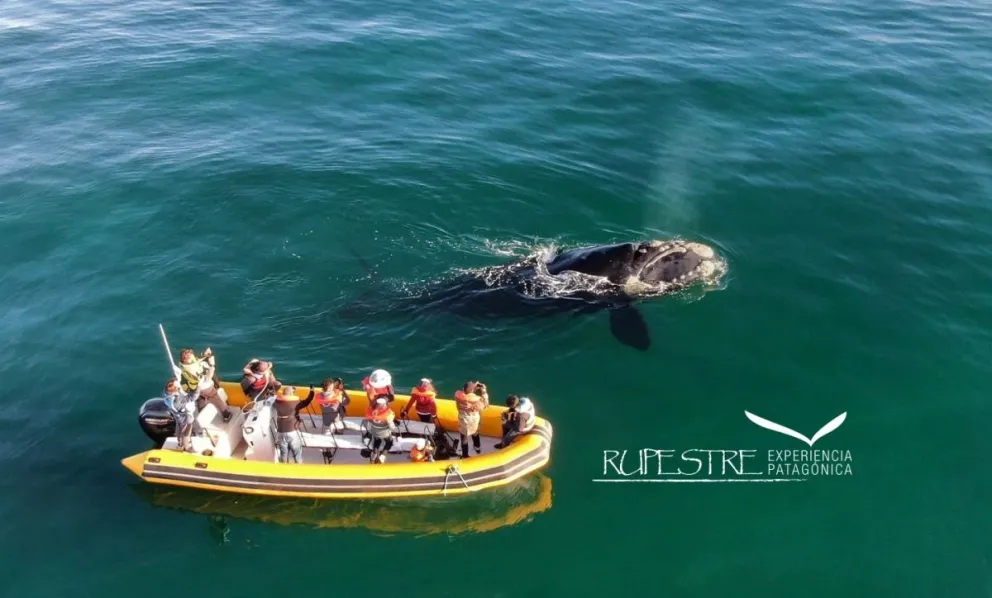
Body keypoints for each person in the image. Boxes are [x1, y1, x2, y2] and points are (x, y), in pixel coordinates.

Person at [272, 385, 315, 464]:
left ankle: (283, 467)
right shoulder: (296, 403)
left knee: (283, 452)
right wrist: (312, 391)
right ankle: (298, 467)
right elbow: (308, 401)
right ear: (291, 394)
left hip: (280, 431)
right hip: (292, 431)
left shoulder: (276, 402)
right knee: (296, 452)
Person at [454, 381, 489, 458]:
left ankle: (465, 455)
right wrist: (484, 392)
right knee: (475, 433)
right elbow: (486, 405)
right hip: (473, 421)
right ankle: (477, 448)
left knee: (464, 438)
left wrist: (473, 388)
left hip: (463, 420)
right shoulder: (476, 400)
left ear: (463, 389)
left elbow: (465, 393)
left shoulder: (457, 395)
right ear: (472, 391)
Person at [163, 378, 198, 452]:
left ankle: (180, 443)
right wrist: (197, 387)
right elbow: (192, 397)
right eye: (178, 385)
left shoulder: (168, 395)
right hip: (185, 419)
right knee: (186, 433)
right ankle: (187, 447)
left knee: (179, 428)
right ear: (175, 389)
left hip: (178, 418)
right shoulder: (177, 400)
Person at [365, 397, 397, 463]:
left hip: (375, 431)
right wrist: (394, 430)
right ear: (384, 405)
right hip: (384, 433)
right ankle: (383, 455)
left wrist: (370, 430)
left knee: (377, 441)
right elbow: (392, 427)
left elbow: (368, 422)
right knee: (389, 442)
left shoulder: (371, 411)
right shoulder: (388, 414)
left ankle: (374, 453)